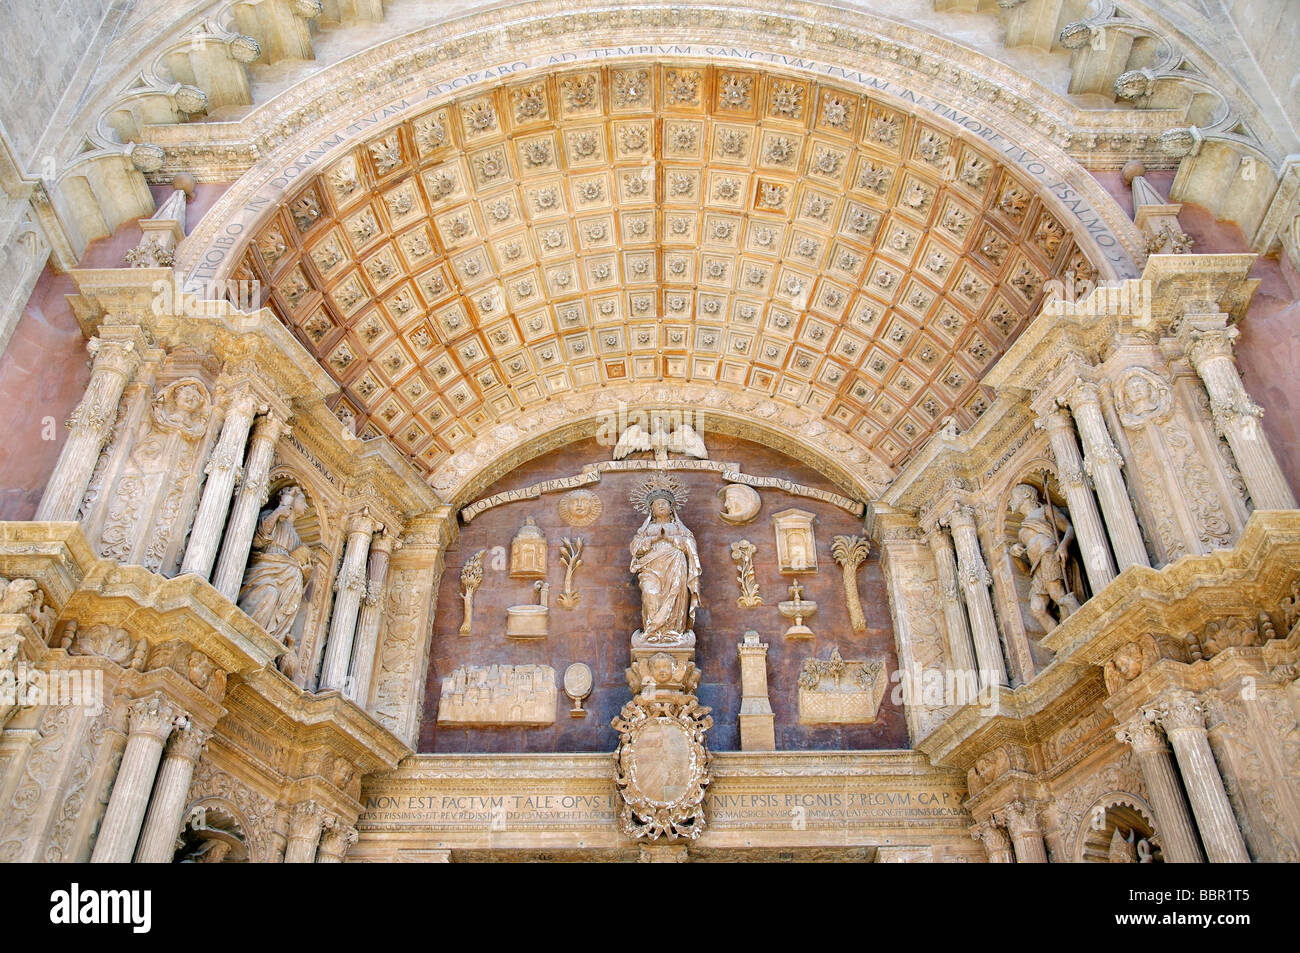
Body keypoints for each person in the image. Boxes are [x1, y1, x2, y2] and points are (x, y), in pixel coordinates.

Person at [237, 485, 312, 643]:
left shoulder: (297, 538)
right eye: (303, 500)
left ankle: (270, 640)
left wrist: (304, 573)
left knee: (276, 598)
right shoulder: (272, 517)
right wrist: (279, 511)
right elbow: (258, 540)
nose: (306, 505)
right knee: (269, 594)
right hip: (266, 573)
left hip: (287, 588)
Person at [629, 493, 701, 644]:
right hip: (651, 568)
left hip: (675, 565)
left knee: (674, 595)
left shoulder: (678, 528)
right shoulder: (646, 529)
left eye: (664, 504)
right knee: (650, 593)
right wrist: (654, 539)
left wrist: (671, 538)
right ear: (652, 510)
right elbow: (635, 548)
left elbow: (690, 545)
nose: (661, 506)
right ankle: (653, 632)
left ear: (671, 508)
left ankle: (672, 631)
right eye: (656, 504)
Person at [1008, 483, 1081, 632]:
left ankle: (1078, 622)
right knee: (1037, 609)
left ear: (1027, 495)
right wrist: (1015, 555)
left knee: (1057, 593)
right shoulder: (1022, 532)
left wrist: (1063, 545)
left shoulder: (1045, 511)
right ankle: (1061, 641)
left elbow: (1069, 528)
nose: (1010, 502)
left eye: (1013, 497)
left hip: (1049, 553)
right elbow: (1026, 570)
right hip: (1037, 568)